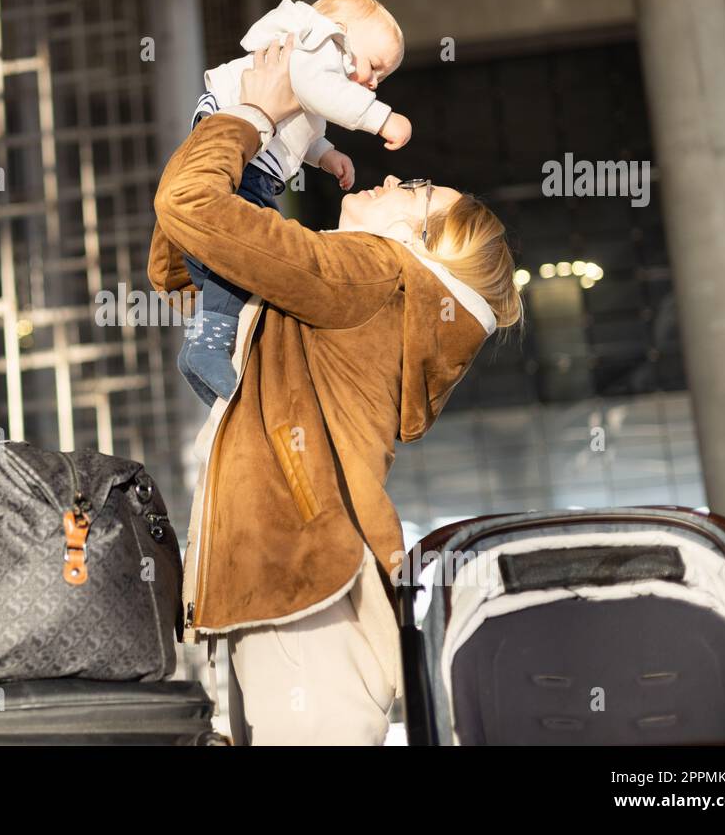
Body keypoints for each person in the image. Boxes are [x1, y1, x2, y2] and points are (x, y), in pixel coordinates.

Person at [148, 37, 523, 745]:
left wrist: (251, 115)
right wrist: (245, 140)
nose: (388, 182)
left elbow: (190, 206)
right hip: (296, 594)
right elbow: (179, 258)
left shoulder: (376, 278)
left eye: (412, 194)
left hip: (302, 588)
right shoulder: (355, 298)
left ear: (421, 252)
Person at [178, 0, 414, 404]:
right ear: (343, 33)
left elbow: (298, 132)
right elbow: (319, 90)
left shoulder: (314, 64)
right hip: (243, 153)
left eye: (382, 79)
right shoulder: (320, 46)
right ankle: (207, 346)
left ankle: (205, 340)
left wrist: (325, 155)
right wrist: (381, 118)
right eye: (374, 66)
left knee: (228, 263)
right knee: (249, 251)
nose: (374, 82)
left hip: (248, 152)